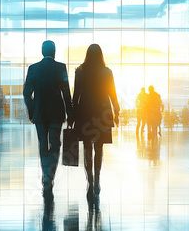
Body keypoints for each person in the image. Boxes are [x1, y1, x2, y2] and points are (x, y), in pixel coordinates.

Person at [23, 40, 72, 201]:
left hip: (40, 113)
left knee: (42, 144)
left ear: (42, 52)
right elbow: (66, 92)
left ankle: (45, 176)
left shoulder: (33, 69)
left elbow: (26, 93)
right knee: (56, 144)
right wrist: (70, 113)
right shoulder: (61, 68)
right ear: (54, 51)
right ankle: (50, 175)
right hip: (57, 112)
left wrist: (32, 110)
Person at [71, 44, 120, 200]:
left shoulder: (80, 71)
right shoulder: (107, 72)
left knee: (86, 147)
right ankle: (97, 178)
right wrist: (116, 111)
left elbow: (76, 94)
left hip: (84, 112)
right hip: (102, 112)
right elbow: (112, 92)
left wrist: (72, 115)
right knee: (99, 148)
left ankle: (90, 181)